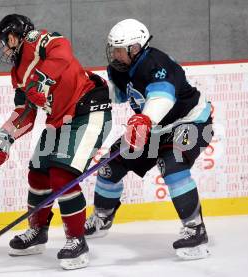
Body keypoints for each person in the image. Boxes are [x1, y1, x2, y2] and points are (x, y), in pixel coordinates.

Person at [0, 14, 112, 269]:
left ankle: (76, 242)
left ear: (15, 36)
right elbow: (25, 112)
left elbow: (63, 50)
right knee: (38, 173)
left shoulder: (38, 40)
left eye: (5, 41)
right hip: (60, 120)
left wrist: (42, 78)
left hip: (89, 110)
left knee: (62, 175)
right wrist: (4, 139)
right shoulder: (17, 73)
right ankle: (38, 232)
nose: (4, 47)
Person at [84, 18, 213, 260]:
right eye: (113, 49)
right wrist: (93, 88)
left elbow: (162, 96)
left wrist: (144, 120)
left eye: (119, 50)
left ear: (135, 48)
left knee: (173, 165)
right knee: (109, 167)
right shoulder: (120, 68)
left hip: (189, 122)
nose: (115, 54)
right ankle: (102, 216)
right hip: (153, 127)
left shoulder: (156, 63)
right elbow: (122, 94)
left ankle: (196, 228)